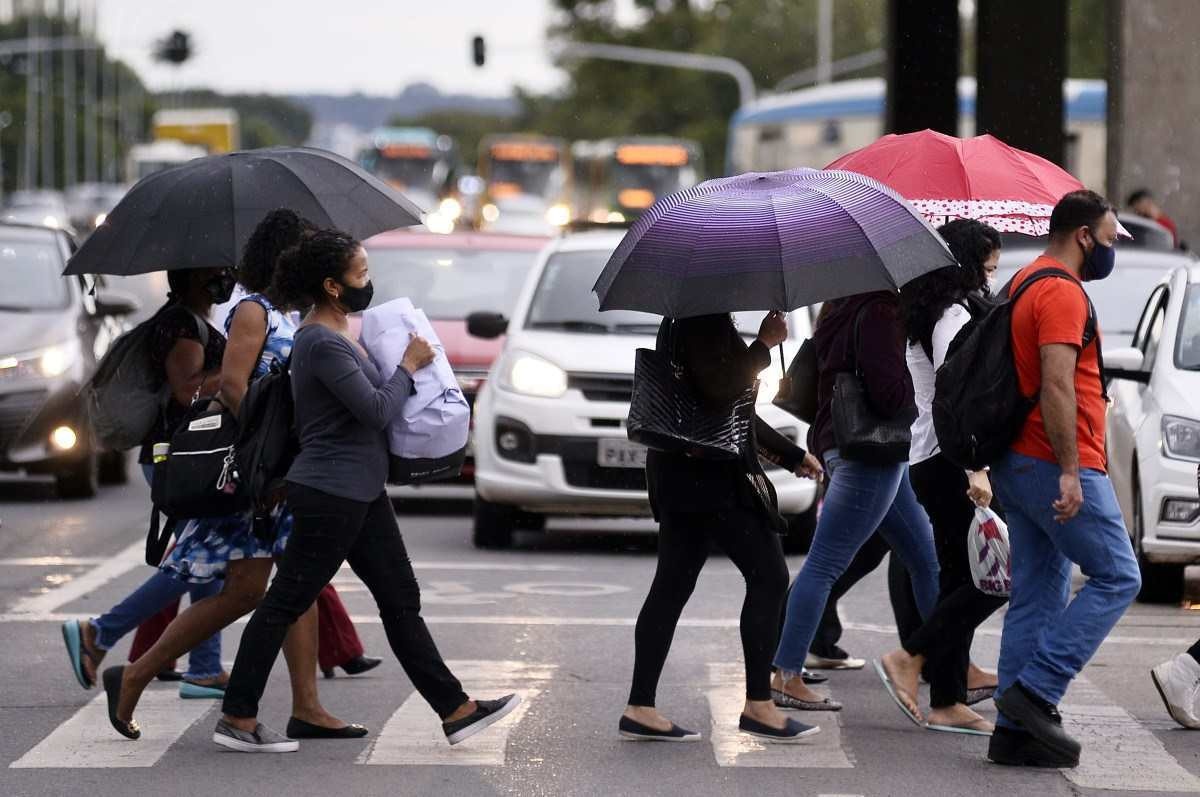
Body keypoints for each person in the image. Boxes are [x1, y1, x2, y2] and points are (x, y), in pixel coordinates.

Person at [214, 228, 520, 753]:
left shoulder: (337, 335)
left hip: (357, 488)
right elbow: (376, 409)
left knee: (401, 600)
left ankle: (456, 710)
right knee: (285, 602)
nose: (368, 281)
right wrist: (407, 367)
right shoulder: (321, 342)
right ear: (332, 286)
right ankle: (238, 717)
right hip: (333, 490)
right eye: (361, 274)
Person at [100, 218, 358, 742]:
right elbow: (236, 389)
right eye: (305, 253)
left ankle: (307, 706)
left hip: (283, 475)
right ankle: (135, 674)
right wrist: (270, 460)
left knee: (294, 587)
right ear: (283, 258)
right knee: (242, 592)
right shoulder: (253, 311)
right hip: (257, 477)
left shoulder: (290, 315)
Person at [987, 190, 1141, 768]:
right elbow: (1056, 384)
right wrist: (1073, 471)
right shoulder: (1059, 291)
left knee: (1039, 592)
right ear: (1083, 235)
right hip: (1054, 462)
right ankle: (1036, 692)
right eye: (1109, 237)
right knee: (1118, 576)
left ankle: (1013, 734)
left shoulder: (1026, 279)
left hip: (1021, 463)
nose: (1110, 249)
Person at [622, 312, 824, 744]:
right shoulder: (704, 314)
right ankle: (759, 704)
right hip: (709, 480)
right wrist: (765, 345)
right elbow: (720, 389)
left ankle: (641, 705)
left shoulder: (690, 312)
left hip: (683, 475)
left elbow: (721, 408)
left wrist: (789, 454)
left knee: (671, 586)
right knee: (769, 577)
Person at [62, 268, 232, 697]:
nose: (226, 278)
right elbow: (186, 391)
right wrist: (235, 368)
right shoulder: (181, 324)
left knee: (204, 561)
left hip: (183, 456)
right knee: (198, 558)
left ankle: (205, 667)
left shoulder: (187, 320)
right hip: (179, 458)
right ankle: (100, 631)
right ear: (194, 278)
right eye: (217, 272)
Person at [772, 292, 941, 713]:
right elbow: (887, 394)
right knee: (825, 564)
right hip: (871, 453)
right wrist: (918, 376)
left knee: (925, 558)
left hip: (860, 449)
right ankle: (786, 674)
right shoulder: (881, 310)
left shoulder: (840, 304)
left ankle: (952, 665)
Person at [875, 219, 1009, 735]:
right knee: (992, 579)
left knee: (959, 575)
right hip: (948, 457)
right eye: (985, 268)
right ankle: (910, 656)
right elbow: (956, 392)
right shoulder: (950, 313)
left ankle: (948, 698)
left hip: (933, 456)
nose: (988, 279)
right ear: (964, 266)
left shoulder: (932, 308)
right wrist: (976, 465)